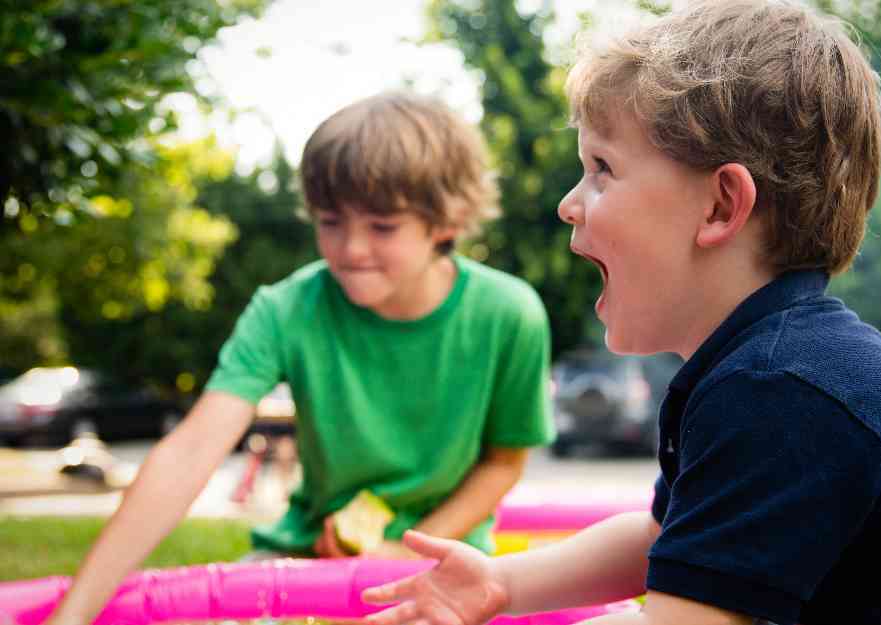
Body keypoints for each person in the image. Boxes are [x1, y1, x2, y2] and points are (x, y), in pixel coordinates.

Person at [359, 2, 881, 624]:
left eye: (602, 170)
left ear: (719, 207)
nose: (568, 205)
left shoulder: (780, 390)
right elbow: (663, 537)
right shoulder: (766, 365)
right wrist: (500, 583)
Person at [44, 91, 554, 625]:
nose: (351, 249)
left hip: (446, 561)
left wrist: (409, 549)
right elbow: (191, 451)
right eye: (331, 221)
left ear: (446, 222)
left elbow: (502, 462)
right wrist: (74, 615)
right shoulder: (285, 309)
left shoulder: (508, 313)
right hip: (307, 553)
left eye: (382, 227)